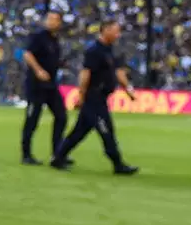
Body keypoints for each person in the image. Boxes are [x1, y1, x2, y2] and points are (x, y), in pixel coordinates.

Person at [51, 19, 138, 175]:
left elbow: (119, 72)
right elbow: (85, 74)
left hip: (101, 97)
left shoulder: (111, 50)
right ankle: (118, 164)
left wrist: (128, 90)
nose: (118, 35)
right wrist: (81, 95)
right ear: (106, 30)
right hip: (94, 98)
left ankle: (58, 157)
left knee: (79, 131)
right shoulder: (94, 51)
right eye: (116, 31)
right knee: (106, 130)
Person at [20, 12, 67, 165]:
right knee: (32, 119)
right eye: (49, 19)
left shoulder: (55, 40)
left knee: (61, 116)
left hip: (51, 85)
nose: (51, 22)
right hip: (36, 86)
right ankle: (26, 154)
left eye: (55, 19)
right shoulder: (39, 37)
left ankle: (57, 153)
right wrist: (38, 70)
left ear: (60, 23)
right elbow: (28, 54)